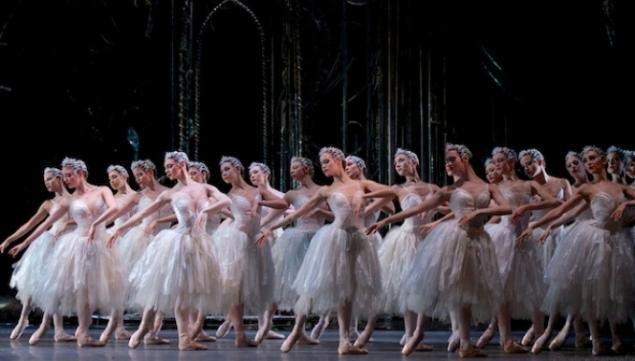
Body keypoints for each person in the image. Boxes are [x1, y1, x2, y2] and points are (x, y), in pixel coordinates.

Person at [367, 143, 510, 357]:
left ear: (464, 157)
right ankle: (418, 333)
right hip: (455, 239)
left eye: (452, 159)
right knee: (437, 286)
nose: (448, 164)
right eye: (446, 161)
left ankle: (465, 343)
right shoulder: (448, 191)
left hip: (479, 240)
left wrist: (481, 211)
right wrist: (387, 219)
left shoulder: (487, 187)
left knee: (467, 292)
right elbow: (417, 208)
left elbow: (508, 208)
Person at [258, 146, 382, 354]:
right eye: (321, 162)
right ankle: (299, 330)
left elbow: (392, 192)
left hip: (357, 239)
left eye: (326, 161)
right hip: (333, 239)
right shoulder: (326, 190)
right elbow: (296, 214)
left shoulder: (359, 184)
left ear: (339, 159)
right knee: (316, 284)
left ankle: (344, 341)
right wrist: (271, 227)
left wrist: (365, 202)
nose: (323, 166)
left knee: (349, 288)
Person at [518, 145, 635, 356]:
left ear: (602, 160)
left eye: (592, 158)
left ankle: (617, 337)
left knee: (613, 290)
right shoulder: (586, 189)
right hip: (594, 240)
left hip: (617, 241)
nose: (589, 163)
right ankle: (596, 340)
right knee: (590, 291)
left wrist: (626, 205)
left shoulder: (618, 186)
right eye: (586, 160)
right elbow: (562, 210)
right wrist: (536, 225)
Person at [107, 151, 228, 351]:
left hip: (199, 244)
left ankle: (184, 338)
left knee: (187, 292)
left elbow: (226, 201)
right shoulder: (170, 193)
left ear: (182, 164)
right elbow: (144, 213)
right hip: (178, 242)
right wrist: (119, 228)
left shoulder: (204, 188)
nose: (167, 170)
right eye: (166, 167)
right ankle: (146, 328)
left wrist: (206, 211)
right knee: (164, 287)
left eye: (170, 166)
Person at [10, 157, 124, 347]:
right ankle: (82, 333)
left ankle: (94, 331)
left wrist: (96, 223)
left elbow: (114, 208)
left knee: (101, 289)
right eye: (64, 176)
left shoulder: (102, 190)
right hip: (78, 245)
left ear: (81, 173)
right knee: (81, 291)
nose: (67, 179)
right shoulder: (69, 200)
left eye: (70, 175)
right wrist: (22, 244)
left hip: (100, 244)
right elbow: (44, 224)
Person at [350, 149, 438, 350]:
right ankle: (403, 335)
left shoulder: (433, 188)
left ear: (413, 162)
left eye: (401, 160)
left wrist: (438, 222)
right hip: (407, 239)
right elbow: (376, 194)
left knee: (422, 289)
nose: (397, 164)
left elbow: (446, 206)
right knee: (405, 285)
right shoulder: (399, 188)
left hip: (427, 241)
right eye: (395, 162)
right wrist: (359, 195)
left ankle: (416, 335)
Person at [476, 147, 560, 353]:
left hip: (524, 237)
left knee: (534, 287)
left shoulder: (528, 184)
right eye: (494, 161)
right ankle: (506, 340)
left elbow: (555, 201)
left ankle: (539, 334)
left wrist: (527, 208)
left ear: (511, 163)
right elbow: (489, 209)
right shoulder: (493, 187)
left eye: (500, 161)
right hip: (503, 237)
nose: (496, 165)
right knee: (501, 288)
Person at [0, 167, 75, 344]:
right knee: (34, 281)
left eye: (49, 179)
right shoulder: (48, 204)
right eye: (44, 180)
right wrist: (9, 239)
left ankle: (58, 330)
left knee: (56, 287)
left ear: (59, 178)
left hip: (68, 244)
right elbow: (29, 225)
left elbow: (85, 218)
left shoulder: (74, 200)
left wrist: (69, 224)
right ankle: (23, 319)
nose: (46, 182)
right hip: (48, 243)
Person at [212, 156, 280, 347]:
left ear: (238, 168)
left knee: (248, 287)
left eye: (227, 169)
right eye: (222, 171)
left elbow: (282, 205)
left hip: (253, 242)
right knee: (235, 288)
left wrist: (262, 206)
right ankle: (239, 335)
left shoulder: (258, 190)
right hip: (235, 241)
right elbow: (219, 209)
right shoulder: (229, 195)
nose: (224, 173)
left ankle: (246, 332)